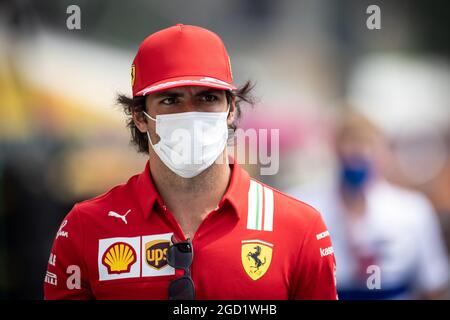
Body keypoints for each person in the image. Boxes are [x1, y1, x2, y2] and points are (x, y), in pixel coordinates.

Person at [43, 24, 337, 300]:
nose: (190, 113)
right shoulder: (85, 227)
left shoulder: (299, 228)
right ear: (139, 116)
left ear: (231, 109)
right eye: (171, 100)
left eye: (207, 98)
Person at [288, 110, 450, 299]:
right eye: (349, 147)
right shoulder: (302, 207)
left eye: (365, 146)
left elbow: (432, 283)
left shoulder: (413, 210)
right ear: (334, 150)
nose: (356, 157)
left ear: (382, 153)